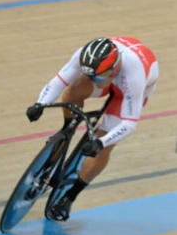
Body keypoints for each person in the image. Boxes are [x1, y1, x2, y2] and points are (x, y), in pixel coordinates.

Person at [26, 37, 159, 221]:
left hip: (132, 90)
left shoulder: (134, 75)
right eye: (92, 76)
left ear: (113, 68)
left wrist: (100, 142)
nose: (96, 81)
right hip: (113, 75)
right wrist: (40, 104)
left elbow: (129, 124)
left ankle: (70, 196)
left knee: (103, 146)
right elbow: (58, 81)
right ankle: (67, 131)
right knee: (73, 90)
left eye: (99, 76)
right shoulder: (84, 57)